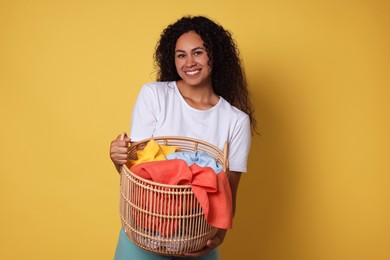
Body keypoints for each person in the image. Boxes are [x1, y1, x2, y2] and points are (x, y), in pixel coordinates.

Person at [110, 15, 256, 260]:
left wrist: (217, 239)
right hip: (144, 235)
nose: (189, 62)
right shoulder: (154, 96)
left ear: (214, 56)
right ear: (173, 59)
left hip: (197, 241)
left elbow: (229, 190)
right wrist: (117, 158)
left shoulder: (236, 120)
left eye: (198, 52)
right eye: (181, 55)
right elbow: (139, 176)